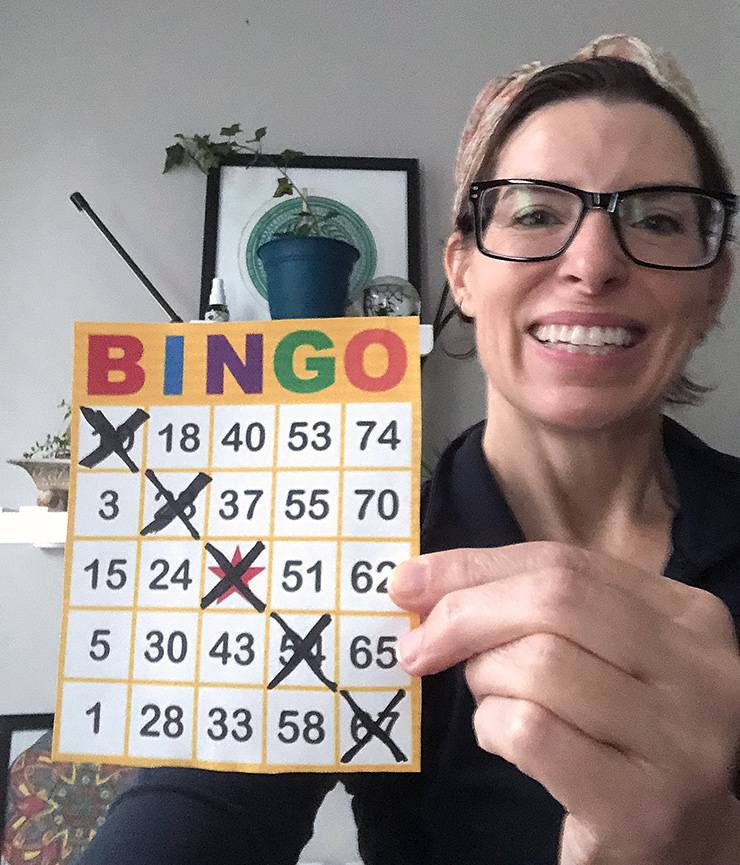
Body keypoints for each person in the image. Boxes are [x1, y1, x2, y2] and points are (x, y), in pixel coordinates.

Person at [80, 34, 740, 865]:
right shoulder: (333, 555)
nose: (593, 261)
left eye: (659, 218)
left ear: (714, 281)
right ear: (460, 270)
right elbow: (194, 812)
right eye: (536, 212)